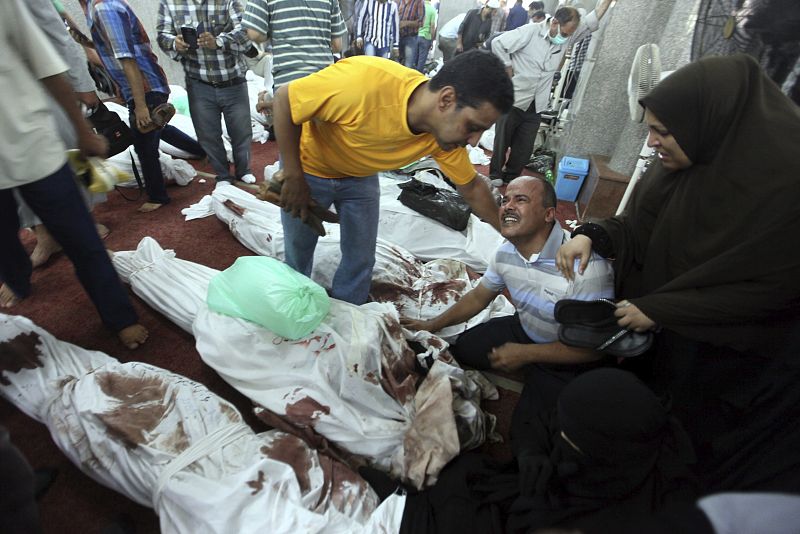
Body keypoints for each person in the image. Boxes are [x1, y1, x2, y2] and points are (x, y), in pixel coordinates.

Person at [555, 54, 800, 494]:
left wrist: (665, 309)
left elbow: (774, 291)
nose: (651, 143)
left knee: (684, 453)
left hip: (723, 362)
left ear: (711, 123)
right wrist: (591, 234)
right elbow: (638, 225)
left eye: (663, 132)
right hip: (661, 339)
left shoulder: (783, 188)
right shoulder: (686, 162)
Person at [265, 50, 513, 305]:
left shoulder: (443, 135)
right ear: (446, 99)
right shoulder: (363, 83)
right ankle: (293, 309)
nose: (474, 141)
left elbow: (472, 187)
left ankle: (351, 314)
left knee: (361, 257)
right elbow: (285, 98)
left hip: (359, 176)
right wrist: (293, 176)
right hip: (308, 167)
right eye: (472, 127)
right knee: (299, 249)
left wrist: (514, 237)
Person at [365, 368, 699, 534]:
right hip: (543, 484)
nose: (559, 434)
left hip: (548, 508)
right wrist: (531, 453)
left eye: (567, 437)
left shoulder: (636, 515)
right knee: (462, 471)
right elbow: (544, 424)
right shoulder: (606, 435)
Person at [0, 0, 147, 349]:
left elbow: (48, 63)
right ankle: (18, 278)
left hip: (34, 143)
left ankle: (120, 317)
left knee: (83, 239)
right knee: (4, 244)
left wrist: (81, 130)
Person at [402, 176, 613, 392]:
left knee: (543, 412)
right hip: (526, 327)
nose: (507, 207)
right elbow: (478, 297)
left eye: (521, 200)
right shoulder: (505, 253)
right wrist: (432, 325)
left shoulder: (586, 268)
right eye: (505, 200)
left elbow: (593, 349)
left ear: (548, 214)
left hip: (570, 351)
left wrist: (526, 353)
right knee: (465, 348)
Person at [489, 1, 613, 185]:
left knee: (524, 147)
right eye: (565, 33)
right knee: (502, 140)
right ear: (554, 22)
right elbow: (497, 43)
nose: (566, 38)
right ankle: (495, 174)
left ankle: (512, 176)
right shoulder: (530, 31)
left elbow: (593, 18)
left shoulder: (567, 35)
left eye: (570, 34)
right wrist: (508, 67)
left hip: (537, 103)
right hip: (515, 97)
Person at [157, 0, 255, 185]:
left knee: (241, 132)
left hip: (233, 80)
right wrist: (174, 43)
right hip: (198, 83)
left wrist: (218, 42)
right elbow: (162, 36)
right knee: (208, 135)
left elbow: (245, 32)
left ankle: (244, 170)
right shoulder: (170, 4)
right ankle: (223, 175)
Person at [242, 0, 346, 90]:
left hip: (288, 83)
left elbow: (254, 33)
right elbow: (337, 45)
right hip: (325, 80)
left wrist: (272, 33)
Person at [397, 0, 425, 67]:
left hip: (410, 38)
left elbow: (421, 23)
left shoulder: (419, 2)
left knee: (408, 65)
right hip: (397, 37)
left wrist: (406, 23)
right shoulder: (399, 1)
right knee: (395, 62)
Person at [412, 0, 436, 72]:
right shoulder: (432, 10)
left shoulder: (417, 7)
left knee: (413, 58)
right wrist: (432, 40)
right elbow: (432, 26)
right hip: (425, 37)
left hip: (415, 36)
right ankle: (418, 75)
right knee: (421, 60)